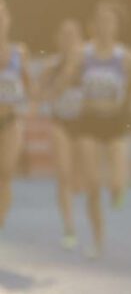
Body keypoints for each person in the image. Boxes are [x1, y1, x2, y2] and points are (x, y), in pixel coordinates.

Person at [76, 0, 131, 257]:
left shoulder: (125, 56)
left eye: (109, 22)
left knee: (117, 183)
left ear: (116, 26)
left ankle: (118, 188)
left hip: (115, 121)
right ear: (93, 25)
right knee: (92, 186)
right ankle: (98, 239)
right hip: (89, 120)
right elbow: (68, 78)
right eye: (100, 21)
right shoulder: (83, 54)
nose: (104, 26)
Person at [40, 19, 87, 250]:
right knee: (63, 175)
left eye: (73, 36)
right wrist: (65, 73)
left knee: (80, 179)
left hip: (83, 124)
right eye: (64, 36)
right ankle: (69, 226)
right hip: (61, 122)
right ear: (59, 40)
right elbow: (43, 94)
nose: (69, 41)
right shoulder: (52, 65)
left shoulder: (88, 63)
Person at [0, 0, 30, 230]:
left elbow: (29, 86)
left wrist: (31, 106)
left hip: (10, 121)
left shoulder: (20, 52)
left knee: (5, 173)